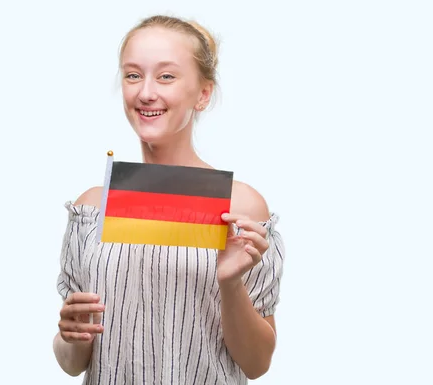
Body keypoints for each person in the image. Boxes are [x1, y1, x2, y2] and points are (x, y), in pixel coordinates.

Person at [53, 14, 285, 385]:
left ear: (203, 93)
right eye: (133, 75)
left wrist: (230, 283)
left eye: (166, 76)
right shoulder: (92, 208)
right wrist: (69, 335)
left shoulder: (241, 207)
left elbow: (256, 364)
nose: (145, 92)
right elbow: (73, 362)